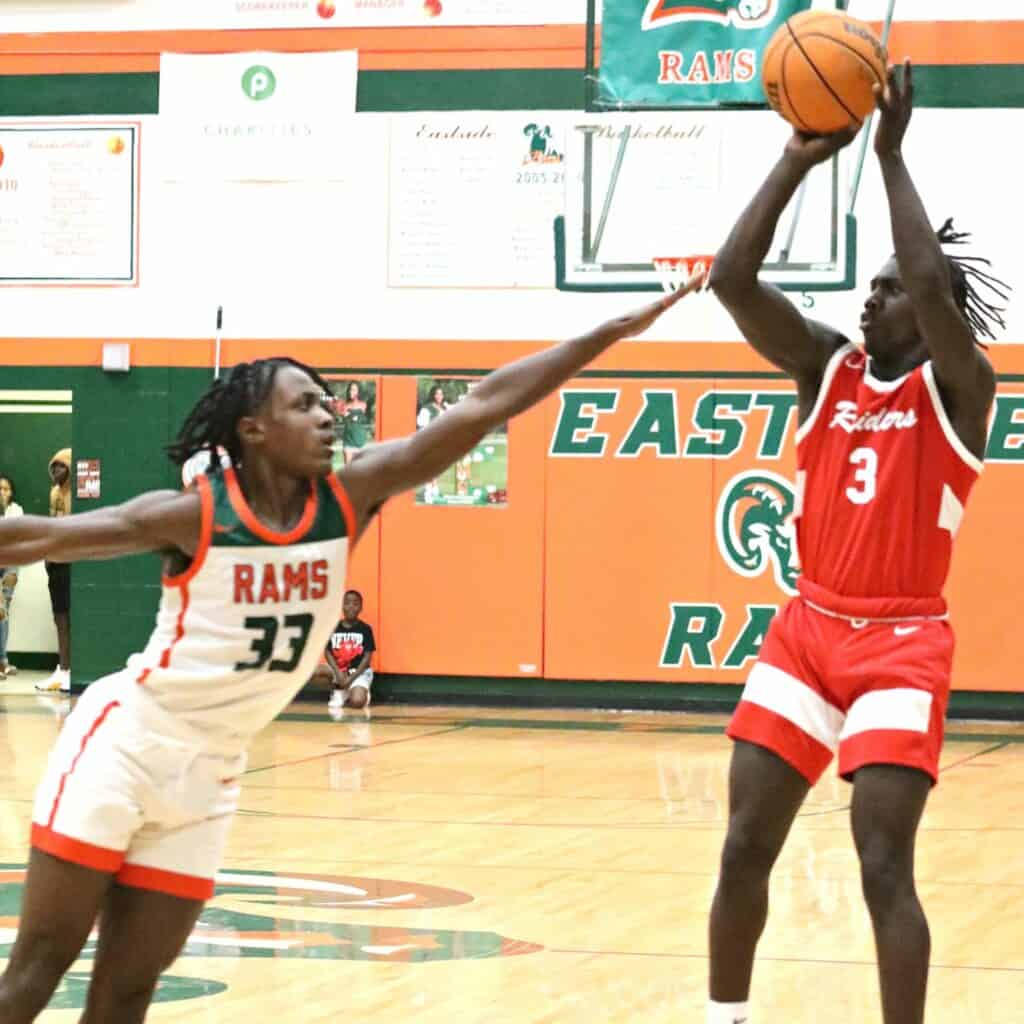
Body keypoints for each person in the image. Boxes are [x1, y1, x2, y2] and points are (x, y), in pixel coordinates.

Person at [0, 279, 699, 1024]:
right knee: (40, 966)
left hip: (213, 769)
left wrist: (615, 330)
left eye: (328, 401)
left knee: (129, 990)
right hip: (129, 745)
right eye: (303, 404)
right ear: (253, 430)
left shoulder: (351, 497)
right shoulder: (192, 516)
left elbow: (485, 404)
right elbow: (37, 535)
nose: (328, 414)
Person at [705, 62, 1008, 1024]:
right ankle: (726, 1018)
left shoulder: (961, 391)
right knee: (744, 845)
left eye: (887, 292)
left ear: (935, 315)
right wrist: (796, 161)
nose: (871, 300)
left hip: (902, 644)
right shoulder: (826, 369)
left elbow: (926, 272)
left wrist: (888, 154)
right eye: (868, 290)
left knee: (882, 866)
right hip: (805, 631)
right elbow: (730, 280)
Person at [36, 450, 72, 694]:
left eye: (62, 467)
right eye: (54, 467)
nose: (56, 472)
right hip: (55, 563)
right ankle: (62, 669)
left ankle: (71, 669)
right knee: (58, 617)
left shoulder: (76, 496)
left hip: (71, 562)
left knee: (70, 618)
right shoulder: (54, 493)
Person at [315, 589, 375, 714]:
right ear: (342, 606)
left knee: (357, 702)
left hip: (358, 672)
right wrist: (338, 672)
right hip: (339, 670)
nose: (351, 607)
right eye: (347, 603)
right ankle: (338, 690)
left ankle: (357, 693)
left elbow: (367, 658)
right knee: (315, 671)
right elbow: (327, 652)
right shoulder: (334, 627)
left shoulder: (365, 629)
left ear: (361, 607)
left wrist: (350, 679)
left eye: (355, 604)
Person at [0, 475, 24, 679]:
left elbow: (14, 534)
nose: (2, 492)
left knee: (3, 611)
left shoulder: (16, 510)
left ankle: (3, 662)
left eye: (6, 489)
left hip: (10, 563)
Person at [338, 381, 372, 465]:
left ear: (358, 391)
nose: (351, 392)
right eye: (350, 389)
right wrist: (344, 413)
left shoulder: (363, 405)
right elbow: (343, 416)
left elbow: (364, 419)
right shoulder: (345, 406)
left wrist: (352, 416)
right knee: (348, 470)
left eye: (353, 390)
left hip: (360, 441)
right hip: (348, 440)